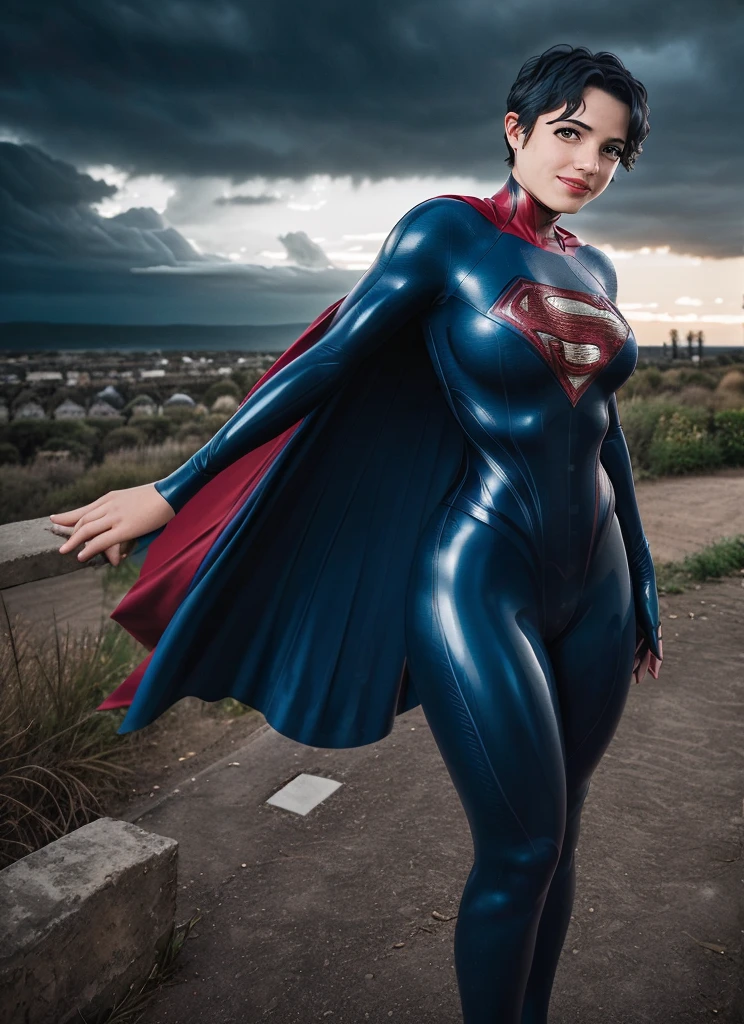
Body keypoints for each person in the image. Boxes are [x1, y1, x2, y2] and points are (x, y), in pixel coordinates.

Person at [51, 43, 663, 1024]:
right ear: (517, 131)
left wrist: (640, 569)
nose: (589, 162)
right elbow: (330, 361)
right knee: (522, 848)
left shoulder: (593, 264)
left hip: (594, 581)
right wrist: (171, 488)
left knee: (565, 833)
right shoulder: (444, 236)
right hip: (480, 573)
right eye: (570, 133)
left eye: (613, 151)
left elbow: (600, 423)